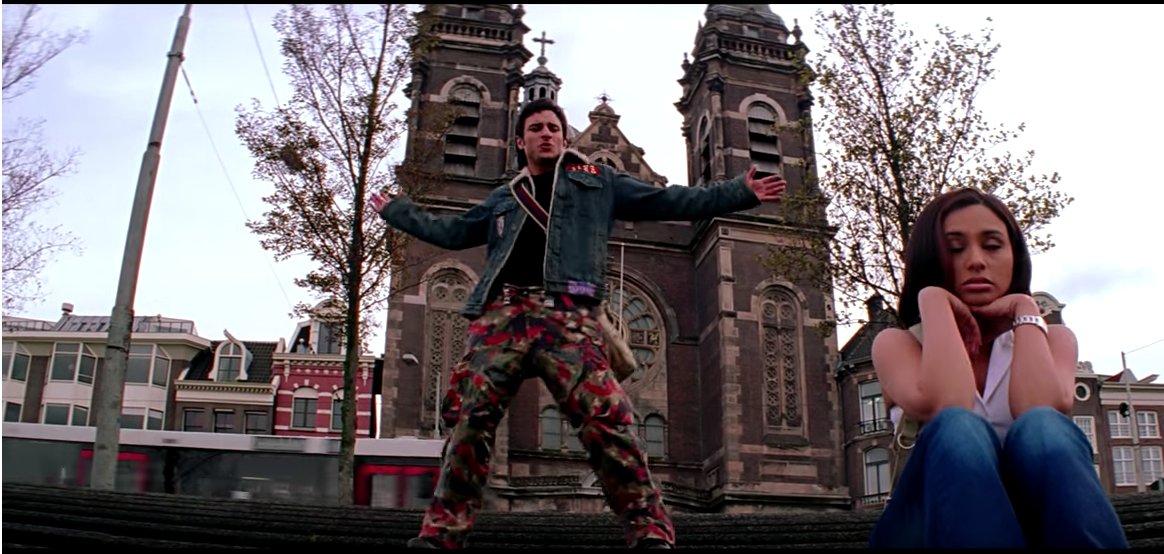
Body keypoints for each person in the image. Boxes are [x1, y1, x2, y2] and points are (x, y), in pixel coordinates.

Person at [369, 98, 786, 549]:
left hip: (568, 312)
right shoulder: (504, 197)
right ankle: (441, 535)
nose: (545, 134)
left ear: (565, 138)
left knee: (608, 421)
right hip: (504, 315)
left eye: (553, 127)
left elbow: (670, 200)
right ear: (520, 142)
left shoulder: (597, 180)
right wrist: (398, 211)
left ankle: (650, 531)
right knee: (470, 420)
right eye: (535, 128)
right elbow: (452, 233)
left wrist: (739, 192)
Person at [868, 187, 1128, 548]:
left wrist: (1025, 309)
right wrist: (934, 301)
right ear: (930, 258)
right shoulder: (899, 345)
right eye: (955, 249)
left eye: (992, 246)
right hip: (927, 525)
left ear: (1015, 257)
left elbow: (1038, 411)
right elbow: (949, 405)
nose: (976, 261)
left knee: (1043, 426)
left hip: (1036, 523)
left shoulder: (1054, 340)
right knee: (956, 427)